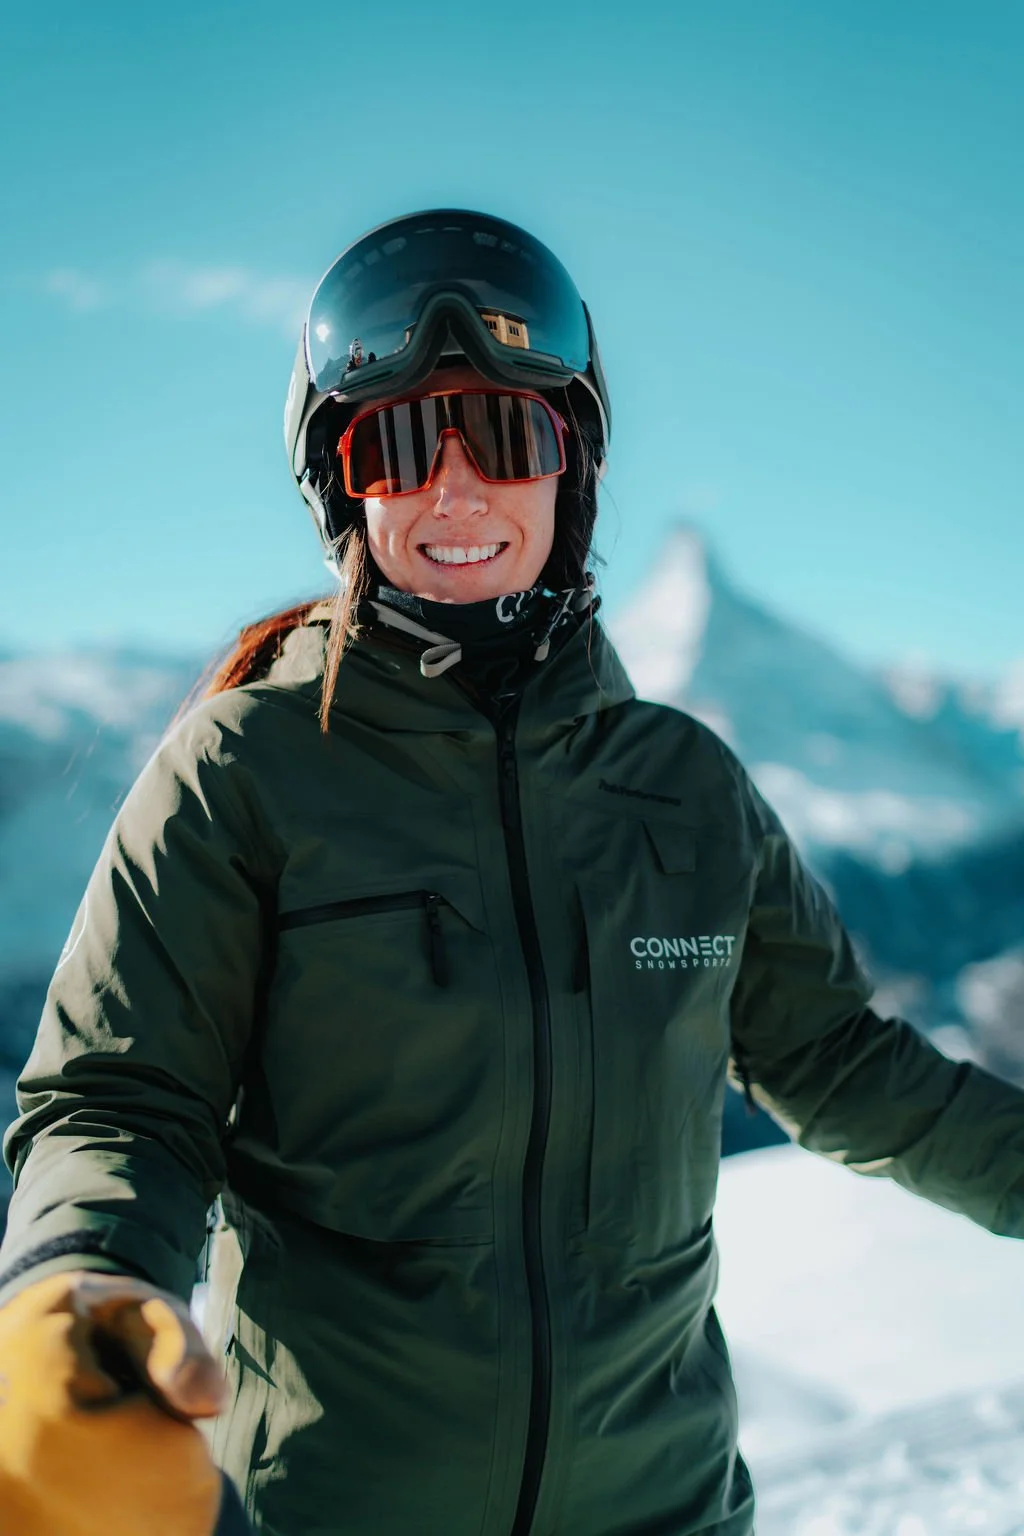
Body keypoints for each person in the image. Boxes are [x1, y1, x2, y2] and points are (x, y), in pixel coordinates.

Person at [1, 207, 1023, 1536]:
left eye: (506, 433)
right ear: (345, 489)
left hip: (665, 1509)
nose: (456, 489)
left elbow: (838, 1063)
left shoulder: (683, 788)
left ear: (570, 468)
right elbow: (122, 1097)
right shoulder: (245, 770)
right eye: (400, 443)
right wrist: (82, 1277)